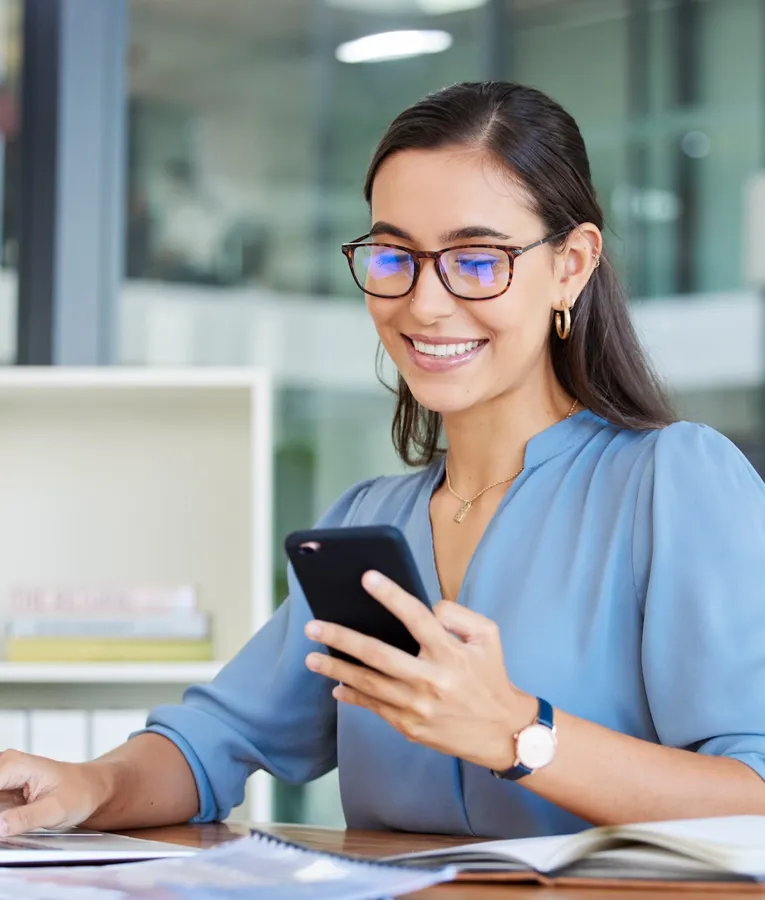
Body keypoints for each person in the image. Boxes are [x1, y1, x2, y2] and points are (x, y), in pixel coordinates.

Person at [0, 81, 763, 839]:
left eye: (475, 259)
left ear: (571, 264)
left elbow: (753, 793)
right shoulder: (367, 518)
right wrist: (88, 786)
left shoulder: (672, 482)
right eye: (394, 255)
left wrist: (516, 732)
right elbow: (211, 746)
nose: (423, 304)